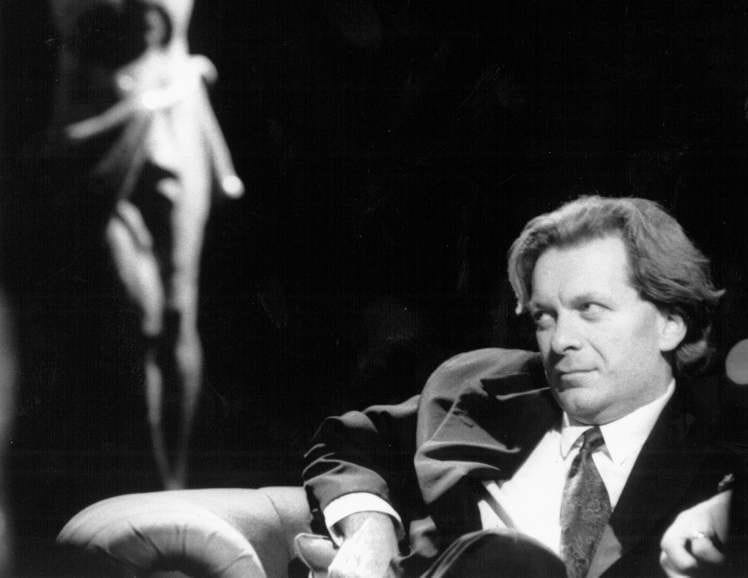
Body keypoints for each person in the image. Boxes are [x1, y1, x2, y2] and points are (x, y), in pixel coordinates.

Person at [303, 195, 747, 577]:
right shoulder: (478, 391)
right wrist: (369, 530)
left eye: (590, 308)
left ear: (670, 324)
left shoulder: (724, 446)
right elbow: (346, 444)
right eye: (544, 317)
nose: (561, 339)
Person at [46, 0, 243, 489]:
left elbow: (177, 48)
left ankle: (173, 487)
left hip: (177, 138)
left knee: (177, 314)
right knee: (139, 320)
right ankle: (147, 482)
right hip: (107, 143)